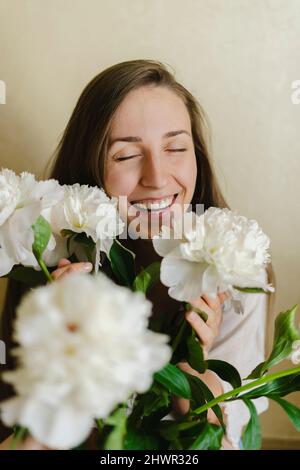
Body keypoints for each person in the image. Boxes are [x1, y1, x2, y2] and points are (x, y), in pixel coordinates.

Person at [0, 59, 272, 450]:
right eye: (126, 156)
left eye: (176, 147)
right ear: (90, 164)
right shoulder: (45, 257)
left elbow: (230, 438)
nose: (157, 177)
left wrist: (192, 367)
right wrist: (61, 354)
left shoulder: (239, 268)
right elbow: (22, 430)